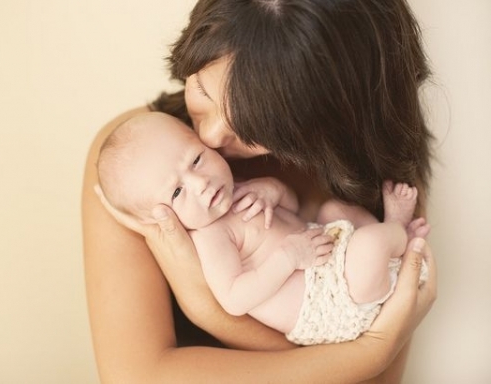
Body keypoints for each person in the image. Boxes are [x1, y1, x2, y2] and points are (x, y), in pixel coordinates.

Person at [83, 0, 437, 382]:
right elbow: (134, 377)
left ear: (331, 120)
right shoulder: (133, 166)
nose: (213, 137)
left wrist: (210, 308)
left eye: (254, 127)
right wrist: (369, 353)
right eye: (201, 89)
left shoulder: (373, 174)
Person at [96, 111, 430, 346]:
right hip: (328, 305)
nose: (200, 184)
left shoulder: (236, 189)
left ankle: (388, 244)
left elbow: (294, 210)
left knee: (334, 208)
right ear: (160, 216)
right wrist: (288, 257)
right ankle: (397, 229)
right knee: (370, 246)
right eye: (177, 192)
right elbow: (234, 298)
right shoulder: (211, 237)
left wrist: (272, 189)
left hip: (329, 259)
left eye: (196, 159)